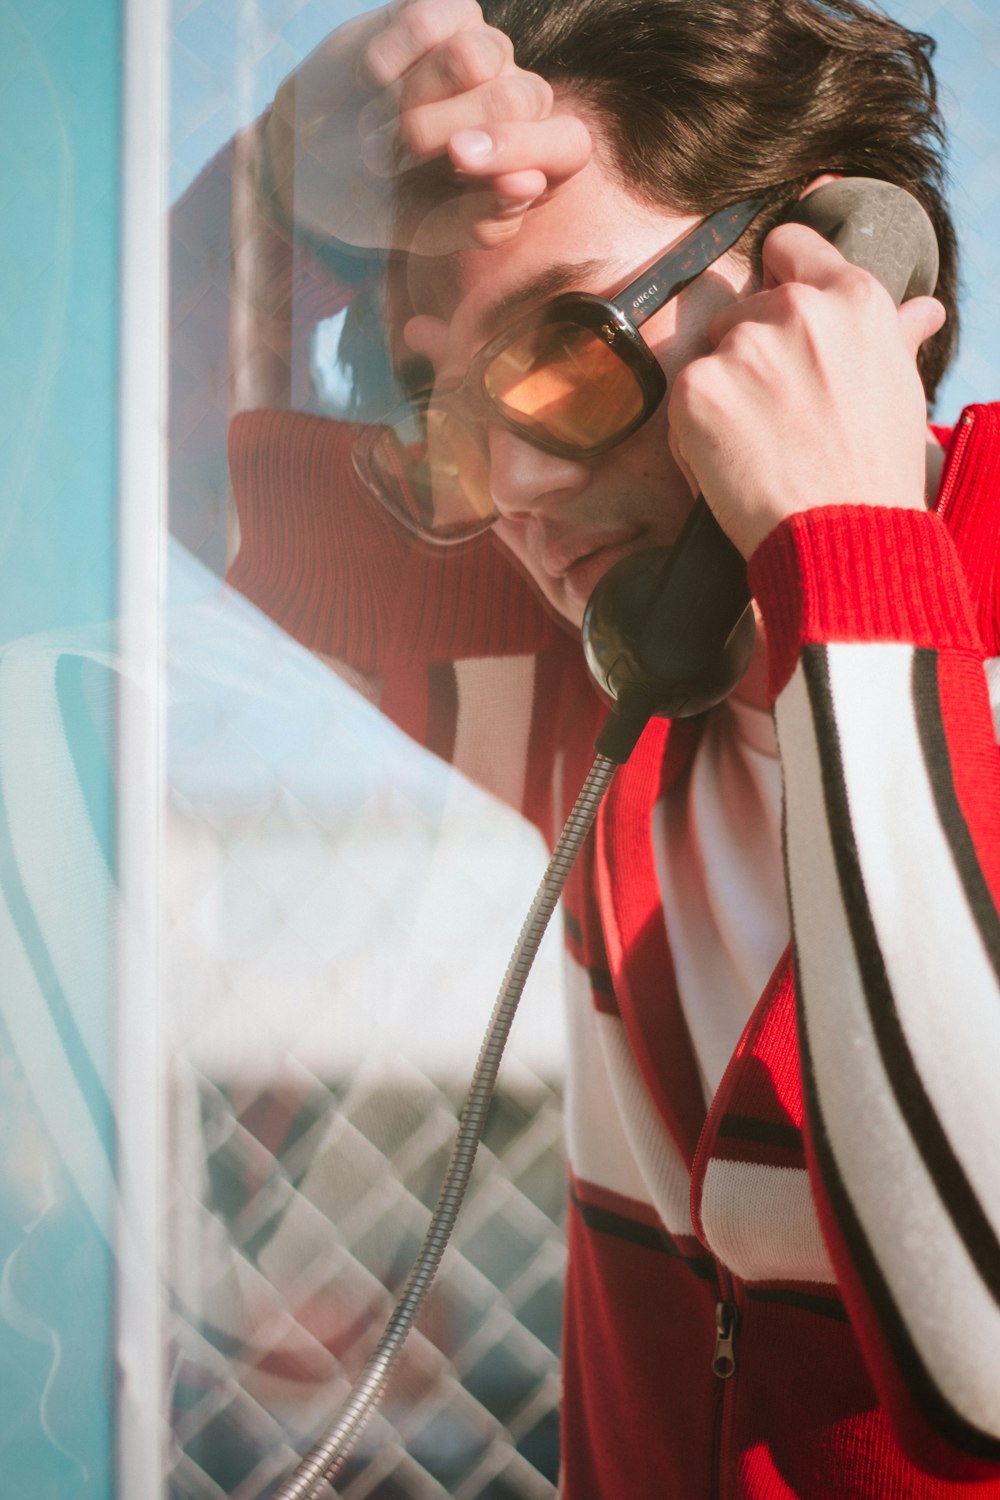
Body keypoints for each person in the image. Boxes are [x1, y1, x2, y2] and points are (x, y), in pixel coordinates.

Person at [191, 0, 1000, 1492]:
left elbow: (982, 1354)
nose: (510, 484)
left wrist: (846, 552)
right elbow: (144, 451)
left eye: (562, 355)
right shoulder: (592, 684)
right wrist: (273, 191)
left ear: (822, 280)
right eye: (444, 412)